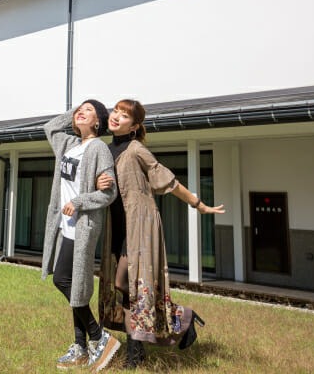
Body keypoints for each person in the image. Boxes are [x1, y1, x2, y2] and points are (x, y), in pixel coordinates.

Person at [96, 99, 226, 368]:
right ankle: (182, 319)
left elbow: (169, 181)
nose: (116, 117)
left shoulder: (136, 150)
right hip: (118, 227)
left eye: (124, 115)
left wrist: (199, 205)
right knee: (122, 287)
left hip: (141, 225)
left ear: (135, 125)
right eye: (115, 111)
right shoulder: (106, 150)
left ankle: (136, 356)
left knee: (131, 288)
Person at [42, 100, 121, 371]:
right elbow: (51, 127)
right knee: (71, 284)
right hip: (65, 225)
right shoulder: (69, 145)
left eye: (87, 111)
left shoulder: (98, 148)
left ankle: (99, 338)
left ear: (98, 121)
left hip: (82, 226)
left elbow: (109, 192)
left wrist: (79, 201)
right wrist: (76, 110)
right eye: (78, 110)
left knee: (63, 279)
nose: (79, 113)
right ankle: (80, 348)